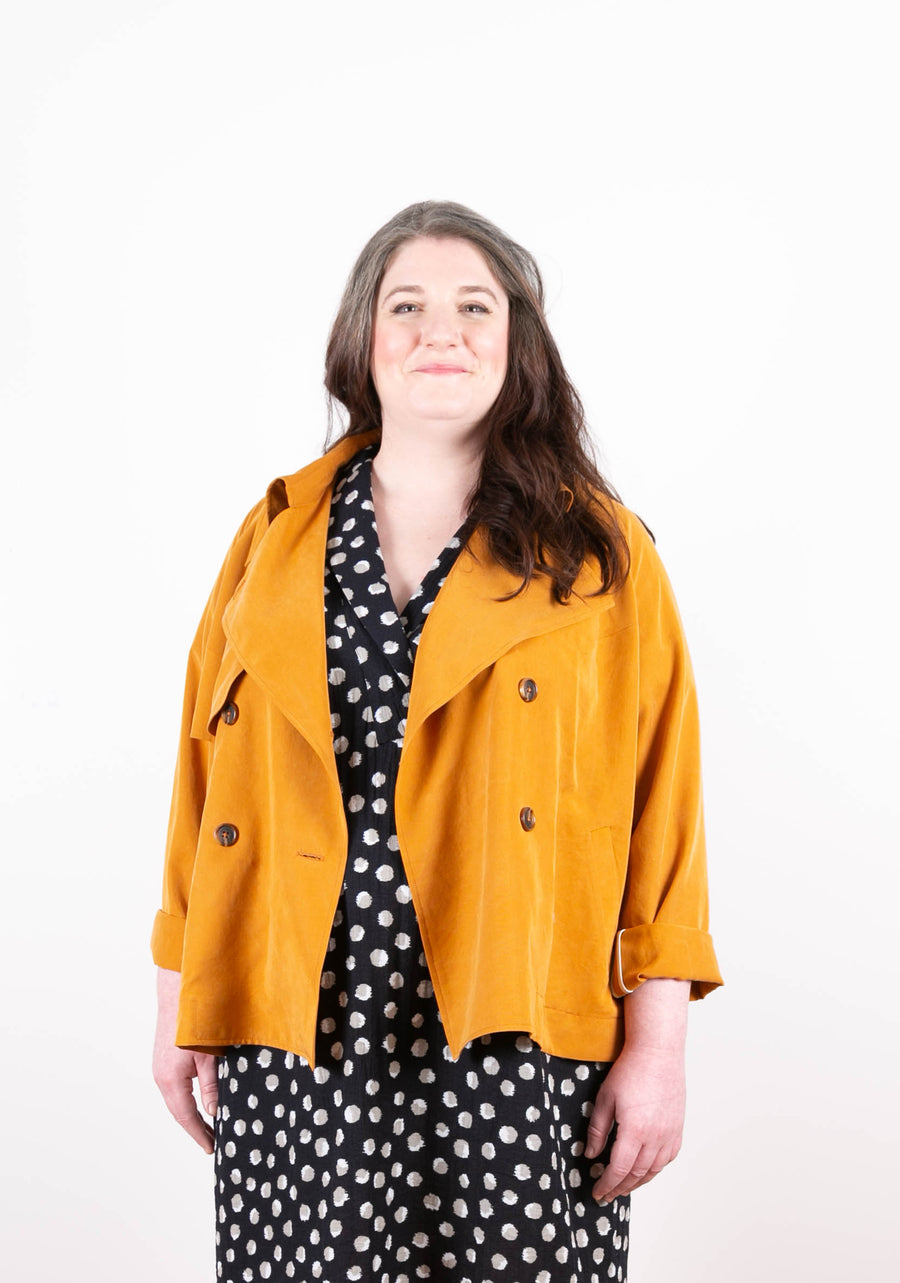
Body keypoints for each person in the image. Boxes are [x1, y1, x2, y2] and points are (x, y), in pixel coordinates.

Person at [151, 200, 723, 1283]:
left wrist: (659, 1047)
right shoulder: (274, 538)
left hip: (517, 1019)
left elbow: (664, 805)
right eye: (406, 307)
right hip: (300, 1018)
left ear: (517, 341)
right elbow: (202, 778)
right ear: (363, 339)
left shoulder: (600, 553)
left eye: (474, 307)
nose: (440, 333)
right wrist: (181, 991)